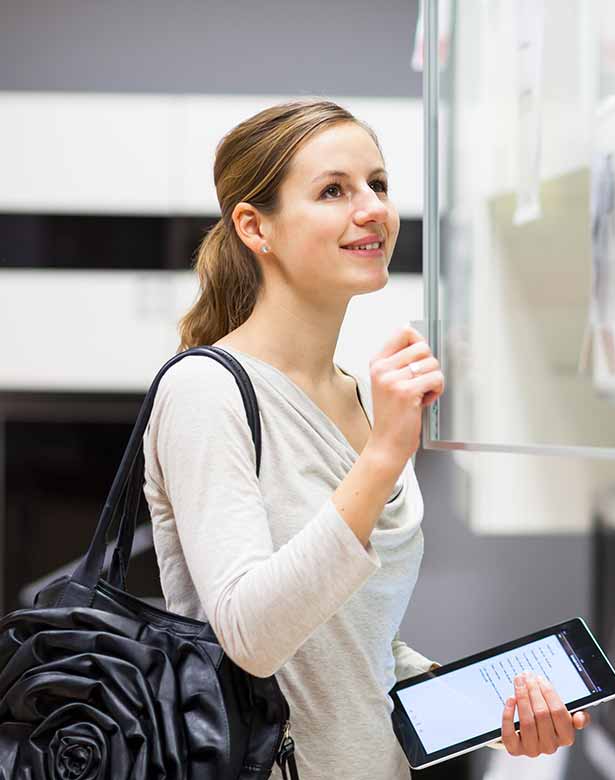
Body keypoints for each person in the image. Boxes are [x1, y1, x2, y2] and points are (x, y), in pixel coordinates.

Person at [141, 99, 587, 779]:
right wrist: (384, 457)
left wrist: (494, 717)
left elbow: (352, 654)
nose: (373, 208)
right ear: (255, 227)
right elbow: (252, 639)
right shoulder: (205, 393)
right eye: (333, 190)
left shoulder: (360, 396)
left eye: (378, 184)